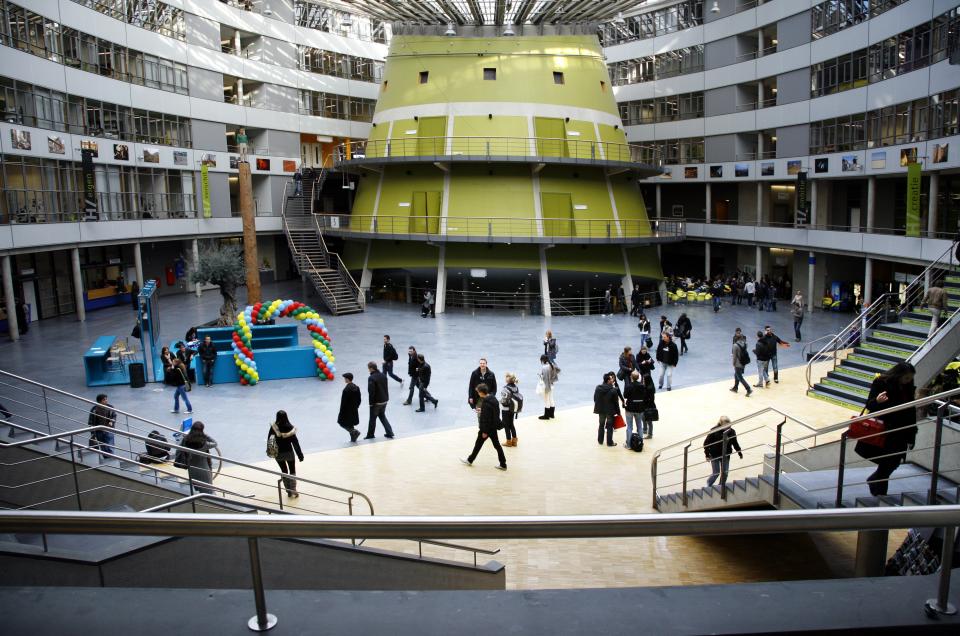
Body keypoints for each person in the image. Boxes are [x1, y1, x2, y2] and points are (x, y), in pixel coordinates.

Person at [855, 362, 918, 496]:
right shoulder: (881, 382)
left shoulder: (908, 386)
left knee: (892, 463)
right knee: (888, 462)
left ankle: (876, 484)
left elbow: (911, 410)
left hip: (902, 430)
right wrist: (877, 401)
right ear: (898, 375)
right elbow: (870, 405)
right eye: (906, 378)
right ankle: (880, 492)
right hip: (886, 430)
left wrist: (912, 434)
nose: (909, 381)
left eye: (910, 378)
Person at [460, 383, 507, 470]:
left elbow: (486, 418)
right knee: (496, 445)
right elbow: (493, 413)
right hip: (493, 427)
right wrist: (482, 410)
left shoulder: (486, 402)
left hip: (487, 428)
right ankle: (503, 464)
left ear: (482, 392)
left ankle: (470, 460)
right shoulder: (493, 399)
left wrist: (485, 431)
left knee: (479, 444)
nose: (478, 394)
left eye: (478, 392)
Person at [268, 410, 304, 497]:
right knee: (292, 471)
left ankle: (288, 490)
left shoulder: (274, 427)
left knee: (284, 471)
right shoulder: (290, 428)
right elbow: (295, 442)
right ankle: (293, 489)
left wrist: (269, 451)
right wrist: (300, 454)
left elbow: (270, 439)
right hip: (289, 453)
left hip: (278, 454)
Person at [704, 416, 743, 487]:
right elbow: (706, 443)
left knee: (725, 473)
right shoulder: (714, 430)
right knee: (716, 473)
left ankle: (720, 486)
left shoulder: (732, 432)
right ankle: (708, 485)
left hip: (726, 455)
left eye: (729, 425)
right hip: (714, 454)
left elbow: (735, 443)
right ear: (721, 424)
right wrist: (707, 455)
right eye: (726, 425)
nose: (728, 427)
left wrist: (739, 452)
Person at [181, 421, 217, 494]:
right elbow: (215, 443)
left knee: (197, 489)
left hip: (192, 469)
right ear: (202, 430)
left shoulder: (186, 440)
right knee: (207, 490)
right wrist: (206, 436)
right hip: (204, 469)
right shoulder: (204, 443)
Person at [365, 361, 394, 439]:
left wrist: (371, 403)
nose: (368, 370)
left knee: (372, 419)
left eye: (368, 368)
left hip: (376, 402)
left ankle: (370, 435)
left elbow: (371, 392)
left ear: (371, 368)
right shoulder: (383, 375)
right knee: (382, 416)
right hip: (384, 400)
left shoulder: (371, 378)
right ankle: (390, 432)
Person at [593, 373, 619, 447]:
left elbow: (595, 399)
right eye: (611, 379)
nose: (613, 380)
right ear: (608, 381)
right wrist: (618, 412)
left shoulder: (598, 388)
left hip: (601, 410)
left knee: (601, 425)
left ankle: (600, 440)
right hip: (610, 411)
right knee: (610, 426)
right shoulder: (613, 390)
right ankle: (609, 442)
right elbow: (616, 402)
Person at [622, 370, 646, 448]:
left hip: (630, 408)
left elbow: (625, 395)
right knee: (639, 426)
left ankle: (628, 445)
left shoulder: (629, 386)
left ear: (631, 377)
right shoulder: (642, 386)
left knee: (629, 427)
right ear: (639, 377)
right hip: (639, 408)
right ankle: (640, 444)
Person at [337, 372, 362, 442]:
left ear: (347, 379)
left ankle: (354, 431)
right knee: (350, 424)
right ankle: (353, 438)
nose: (344, 379)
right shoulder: (356, 387)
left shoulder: (346, 390)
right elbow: (359, 400)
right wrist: (356, 407)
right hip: (354, 410)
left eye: (345, 378)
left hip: (346, 411)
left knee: (341, 423)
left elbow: (343, 402)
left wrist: (341, 412)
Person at [500, 372, 523, 447]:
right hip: (513, 408)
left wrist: (499, 401)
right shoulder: (516, 387)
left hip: (505, 409)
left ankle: (508, 441)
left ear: (508, 379)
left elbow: (504, 400)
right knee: (511, 424)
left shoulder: (505, 388)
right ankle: (514, 441)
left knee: (506, 425)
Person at [731, 329, 753, 396]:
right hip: (743, 362)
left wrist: (733, 363)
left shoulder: (735, 345)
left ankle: (748, 389)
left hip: (738, 364)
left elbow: (734, 356)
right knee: (736, 375)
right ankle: (735, 387)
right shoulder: (745, 344)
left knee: (740, 377)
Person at [537, 355, 559, 419]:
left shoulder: (545, 367)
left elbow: (545, 379)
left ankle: (546, 415)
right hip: (552, 384)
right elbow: (555, 376)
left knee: (546, 400)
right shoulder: (552, 364)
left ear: (543, 360)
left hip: (547, 385)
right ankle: (551, 414)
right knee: (551, 398)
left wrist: (541, 376)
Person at [641, 372, 657, 438]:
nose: (643, 381)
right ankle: (644, 429)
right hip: (645, 405)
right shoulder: (646, 387)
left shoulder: (649, 388)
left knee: (649, 420)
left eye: (644, 380)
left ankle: (650, 434)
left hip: (648, 406)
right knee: (643, 417)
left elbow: (650, 399)